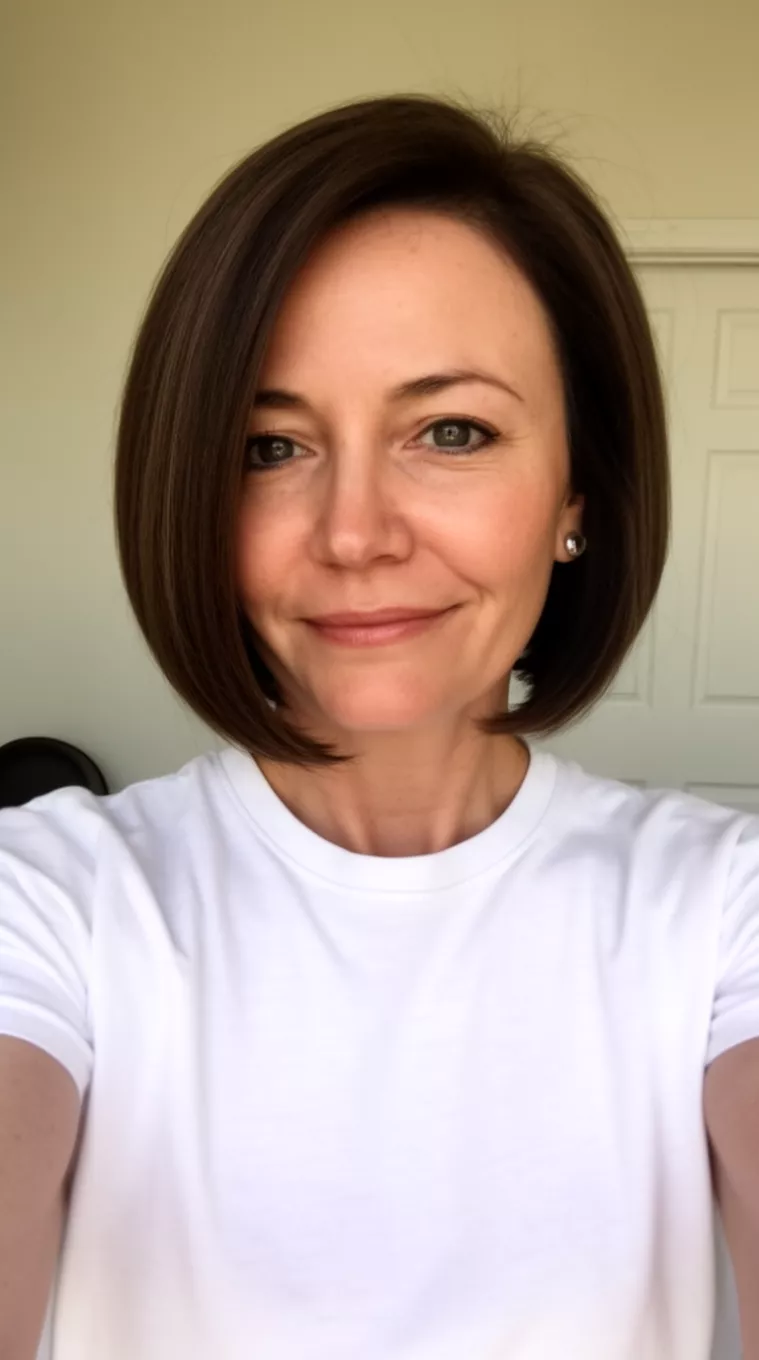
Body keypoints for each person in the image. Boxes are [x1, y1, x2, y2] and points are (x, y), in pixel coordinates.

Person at [1, 92, 758, 1360]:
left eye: (451, 431)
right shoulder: (53, 895)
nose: (356, 532)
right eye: (270, 445)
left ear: (578, 494)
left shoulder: (720, 907)